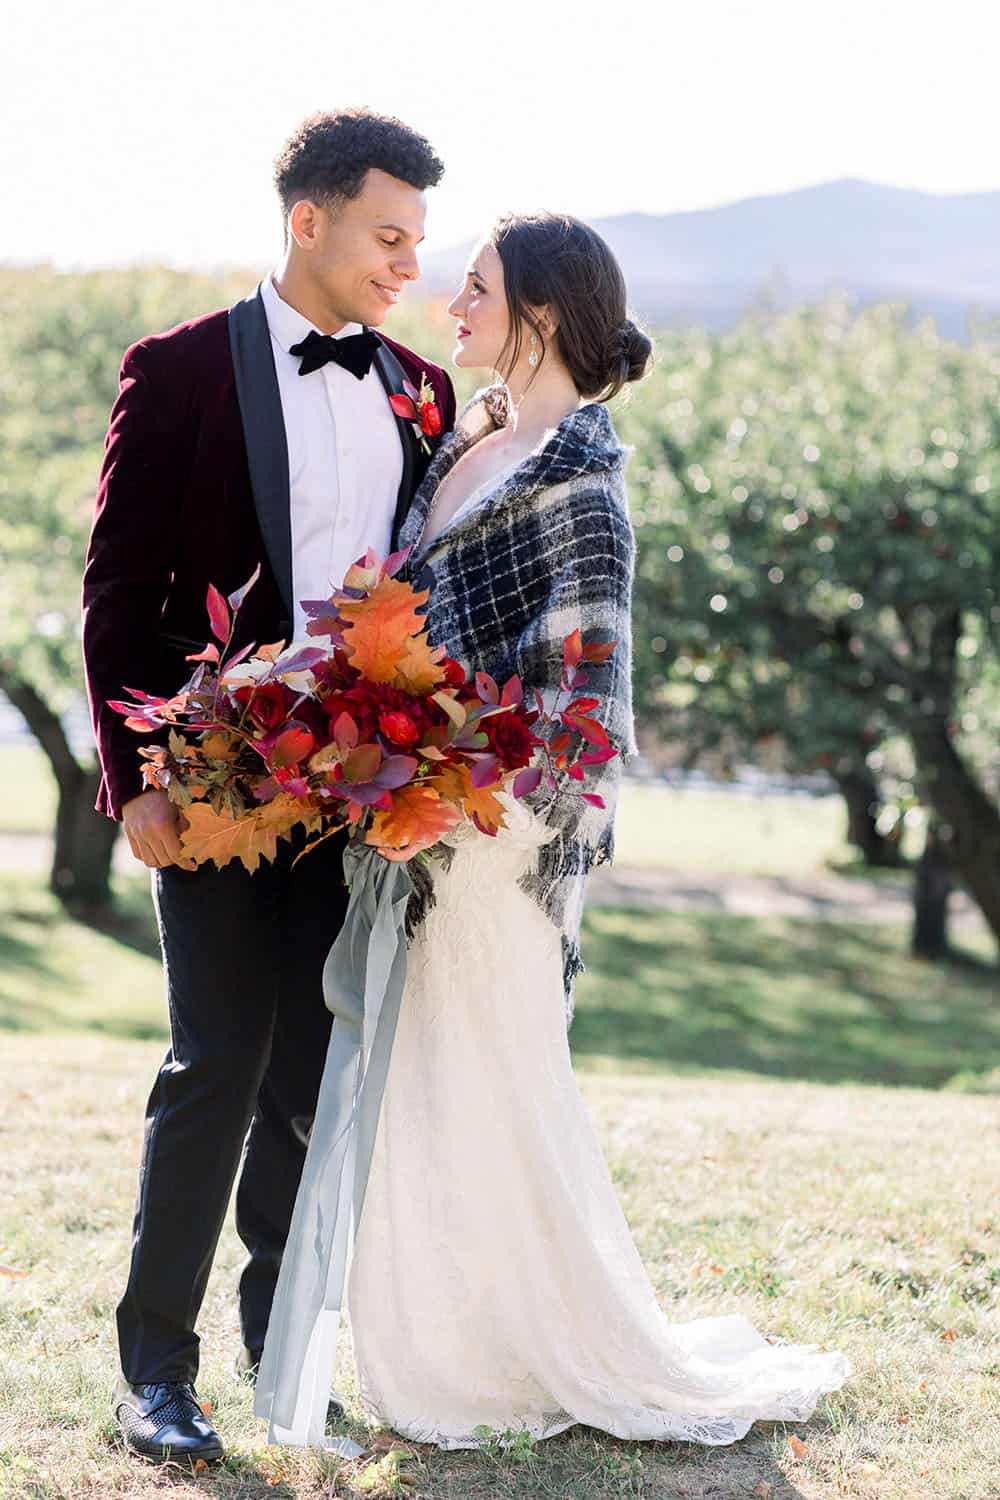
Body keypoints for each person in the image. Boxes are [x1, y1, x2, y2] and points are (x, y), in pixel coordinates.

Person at [254, 212, 852, 1451]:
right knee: (413, 1091)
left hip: (494, 847)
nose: (450, 308)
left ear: (538, 311)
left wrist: (456, 791)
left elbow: (579, 712)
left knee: (492, 1090)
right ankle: (440, 1341)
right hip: (414, 824)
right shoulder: (467, 440)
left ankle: (523, 1351)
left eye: (473, 288)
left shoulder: (580, 487)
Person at [81, 107, 455, 1465]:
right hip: (216, 786)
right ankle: (153, 1376)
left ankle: (282, 1358)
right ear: (309, 220)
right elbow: (118, 594)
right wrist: (131, 783)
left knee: (313, 1076)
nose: (408, 262)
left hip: (361, 802)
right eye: (387, 235)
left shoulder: (422, 389)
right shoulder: (175, 370)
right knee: (215, 1064)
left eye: (420, 240)